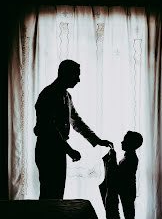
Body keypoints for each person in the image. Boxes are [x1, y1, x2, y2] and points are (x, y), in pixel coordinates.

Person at [34, 59, 113, 199]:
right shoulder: (48, 94)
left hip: (58, 149)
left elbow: (77, 121)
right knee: (50, 194)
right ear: (65, 74)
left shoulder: (67, 96)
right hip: (47, 149)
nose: (78, 80)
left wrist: (97, 140)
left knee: (57, 193)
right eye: (76, 75)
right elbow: (49, 128)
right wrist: (69, 150)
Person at [112, 131, 143, 219]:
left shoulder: (131, 158)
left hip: (128, 190)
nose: (121, 142)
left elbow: (122, 174)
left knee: (129, 217)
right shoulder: (128, 156)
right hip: (126, 189)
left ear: (130, 144)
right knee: (128, 216)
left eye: (124, 140)